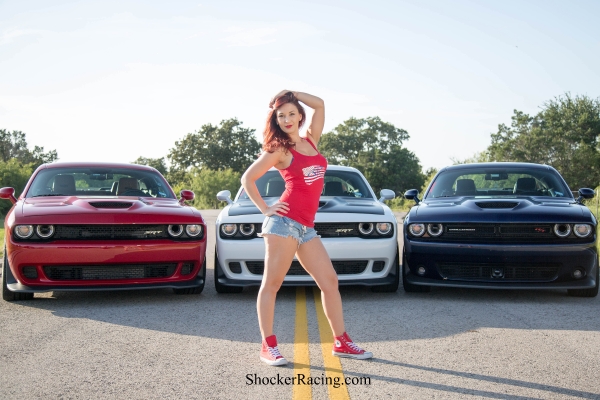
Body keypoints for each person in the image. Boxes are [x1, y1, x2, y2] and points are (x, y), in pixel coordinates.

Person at [241, 90, 373, 366]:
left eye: (291, 113)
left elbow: (321, 104)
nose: (287, 119)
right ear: (276, 120)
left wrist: (290, 92)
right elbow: (248, 178)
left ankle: (342, 341)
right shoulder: (279, 149)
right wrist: (266, 208)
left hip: (306, 228)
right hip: (284, 224)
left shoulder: (311, 139)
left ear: (300, 115)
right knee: (272, 285)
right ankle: (268, 346)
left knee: (330, 281)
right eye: (281, 116)